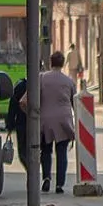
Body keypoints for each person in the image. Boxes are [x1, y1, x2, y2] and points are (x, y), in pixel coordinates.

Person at [37, 51, 78, 193]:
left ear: (50, 62)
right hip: (63, 121)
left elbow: (28, 100)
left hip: (45, 121)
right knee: (62, 153)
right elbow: (75, 104)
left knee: (46, 151)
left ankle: (46, 177)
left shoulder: (41, 78)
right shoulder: (69, 81)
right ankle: (60, 184)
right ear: (62, 63)